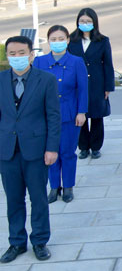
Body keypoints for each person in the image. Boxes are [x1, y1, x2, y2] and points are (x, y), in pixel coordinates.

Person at [0, 36, 60, 263]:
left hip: (36, 150)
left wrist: (51, 148)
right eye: (12, 54)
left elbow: (53, 116)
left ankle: (40, 241)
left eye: (21, 53)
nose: (17, 57)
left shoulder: (46, 80)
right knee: (13, 199)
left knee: (38, 198)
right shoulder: (0, 80)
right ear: (7, 56)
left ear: (31, 55)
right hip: (7, 151)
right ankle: (16, 242)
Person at [34, 26, 88, 204]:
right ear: (48, 41)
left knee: (67, 152)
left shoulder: (76, 61)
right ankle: (54, 186)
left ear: (67, 40)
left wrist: (81, 112)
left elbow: (83, 89)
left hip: (69, 114)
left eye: (61, 39)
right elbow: (34, 89)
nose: (57, 42)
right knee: (50, 151)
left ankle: (68, 187)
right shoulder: (39, 62)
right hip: (46, 116)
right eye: (53, 39)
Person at [67, 8, 114, 160]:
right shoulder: (71, 40)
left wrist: (108, 87)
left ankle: (95, 147)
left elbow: (108, 64)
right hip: (77, 84)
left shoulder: (102, 40)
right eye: (82, 21)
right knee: (80, 117)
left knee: (96, 116)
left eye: (88, 21)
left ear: (94, 22)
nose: (85, 23)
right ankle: (83, 147)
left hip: (97, 83)